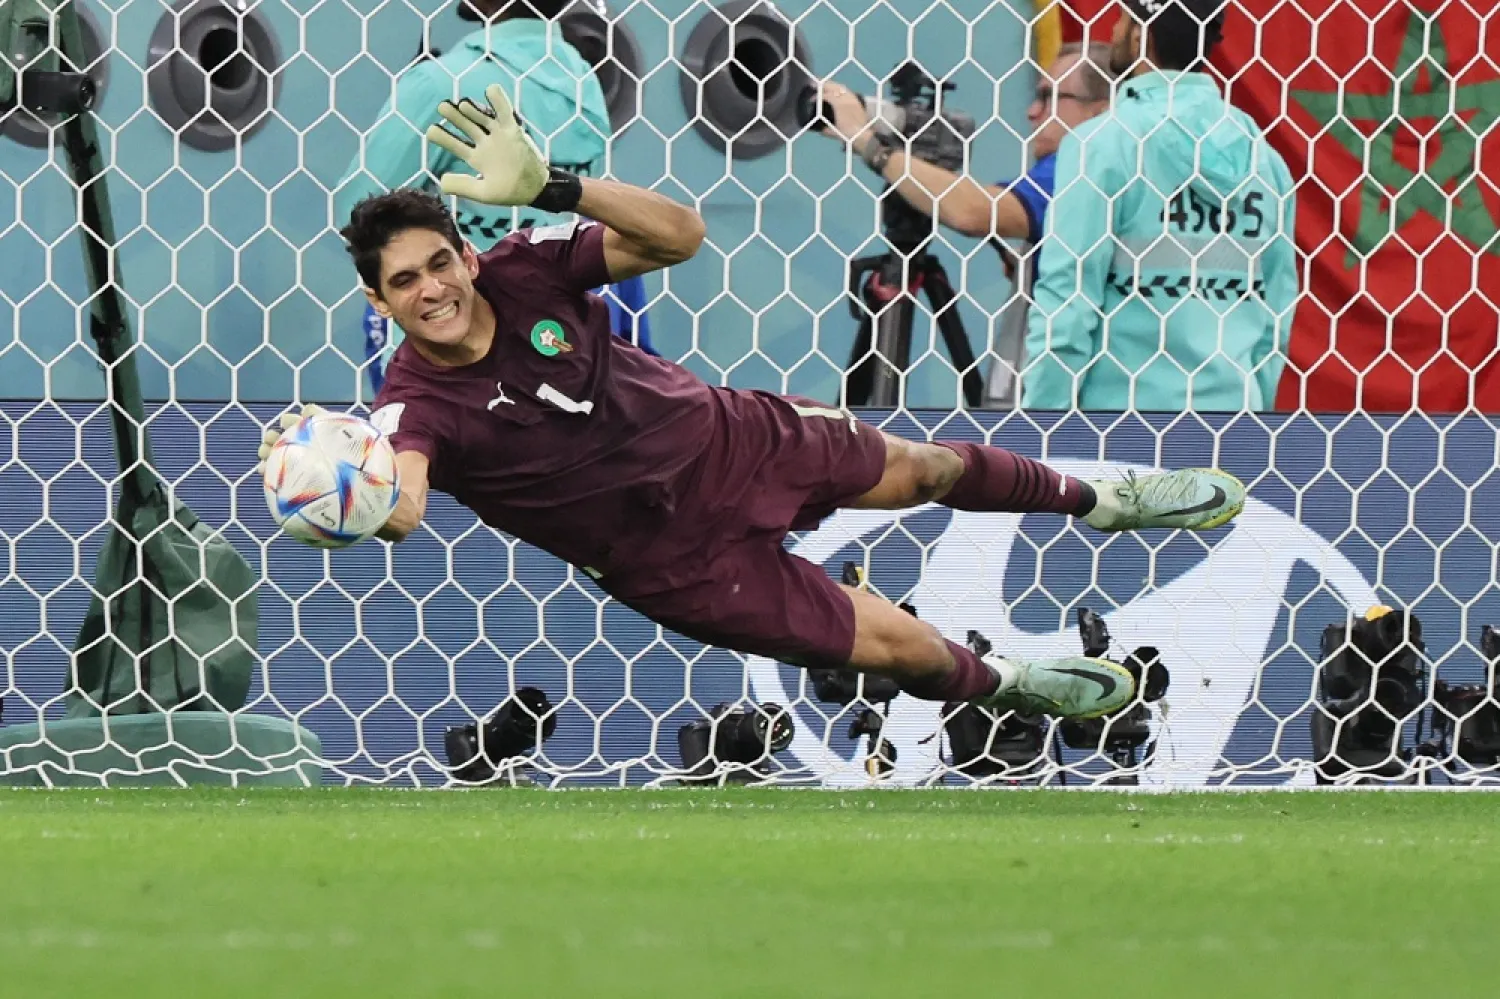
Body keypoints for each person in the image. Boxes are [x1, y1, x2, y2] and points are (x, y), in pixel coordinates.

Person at [265, 84, 1250, 722]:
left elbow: (681, 238)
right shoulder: (409, 404)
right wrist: (336, 505)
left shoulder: (527, 269)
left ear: (467, 253)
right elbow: (403, 502)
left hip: (732, 437)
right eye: (406, 282)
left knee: (929, 468)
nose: (433, 288)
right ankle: (1018, 686)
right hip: (672, 560)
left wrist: (560, 186)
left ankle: (1106, 499)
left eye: (441, 262)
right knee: (897, 645)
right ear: (378, 300)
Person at [333, 0, 653, 395]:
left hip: (451, 350)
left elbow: (355, 212)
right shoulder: (583, 77)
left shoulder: (440, 84)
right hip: (557, 337)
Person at [1023, 0, 1297, 412]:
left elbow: (1067, 304)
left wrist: (1041, 430)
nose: (1113, 29)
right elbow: (1276, 315)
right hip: (1235, 424)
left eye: (1121, 17)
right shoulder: (1263, 157)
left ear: (1141, 34)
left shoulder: (1103, 144)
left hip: (1119, 432)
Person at [818, 42, 1114, 253]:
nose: (1032, 112)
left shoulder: (1083, 171)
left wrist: (865, 140)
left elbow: (971, 213)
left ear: (1100, 111)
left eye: (1049, 97)